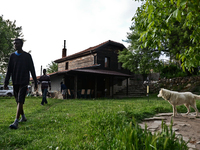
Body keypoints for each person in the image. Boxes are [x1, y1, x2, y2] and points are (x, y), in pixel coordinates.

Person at [4, 38, 38, 129]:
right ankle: (23, 117)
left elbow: (32, 69)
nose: (15, 45)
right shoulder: (12, 56)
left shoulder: (27, 56)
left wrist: (35, 81)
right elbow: (9, 70)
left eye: (17, 43)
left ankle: (16, 122)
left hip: (24, 81)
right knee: (17, 100)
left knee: (20, 100)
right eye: (14, 43)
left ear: (21, 44)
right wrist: (6, 82)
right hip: (15, 81)